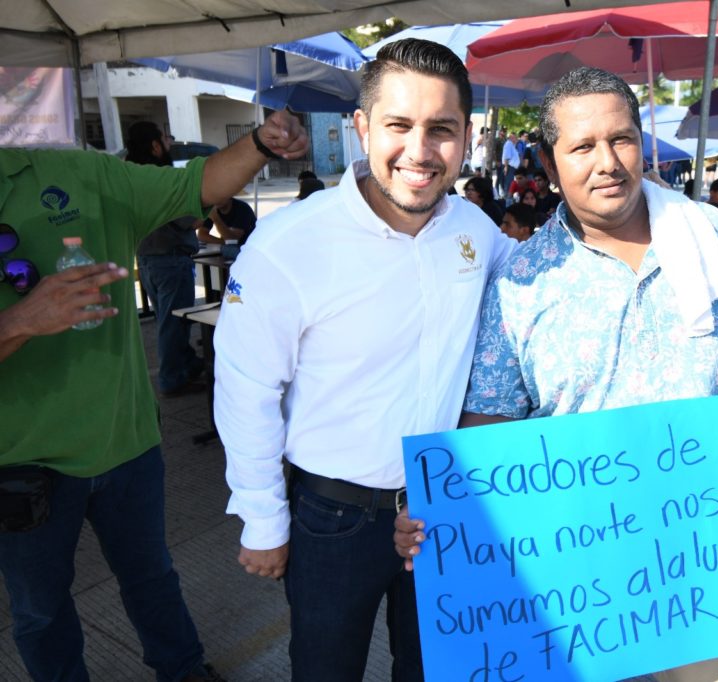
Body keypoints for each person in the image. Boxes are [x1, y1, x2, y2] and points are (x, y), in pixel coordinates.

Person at [395, 66, 718, 682]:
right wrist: (446, 513)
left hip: (706, 573)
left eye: (621, 140)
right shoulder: (521, 283)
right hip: (579, 589)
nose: (607, 163)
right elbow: (490, 418)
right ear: (549, 161)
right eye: (582, 146)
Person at [212, 38, 515, 682]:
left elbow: (547, 294)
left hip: (441, 511)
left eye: (442, 130)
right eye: (399, 125)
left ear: (467, 137)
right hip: (332, 519)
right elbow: (246, 389)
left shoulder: (476, 231)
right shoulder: (288, 244)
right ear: (362, 127)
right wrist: (262, 518)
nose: (420, 151)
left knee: (437, 671)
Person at [0, 109, 307, 682]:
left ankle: (183, 669)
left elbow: (197, 183)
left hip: (126, 443)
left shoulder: (75, 173)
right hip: (19, 464)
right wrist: (19, 321)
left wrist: (262, 144)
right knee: (40, 609)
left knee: (151, 576)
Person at [128, 122, 206, 398]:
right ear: (154, 145)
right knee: (173, 324)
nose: (169, 142)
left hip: (147, 258)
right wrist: (211, 202)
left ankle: (188, 363)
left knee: (168, 319)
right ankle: (172, 379)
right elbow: (191, 220)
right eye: (165, 138)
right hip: (170, 260)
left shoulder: (130, 176)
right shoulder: (162, 178)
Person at [499, 128, 520, 199]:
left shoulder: (512, 145)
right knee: (508, 184)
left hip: (512, 167)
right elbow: (506, 157)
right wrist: (506, 167)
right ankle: (507, 198)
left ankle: (509, 197)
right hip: (509, 167)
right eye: (515, 137)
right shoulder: (508, 144)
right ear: (511, 138)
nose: (516, 139)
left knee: (510, 183)